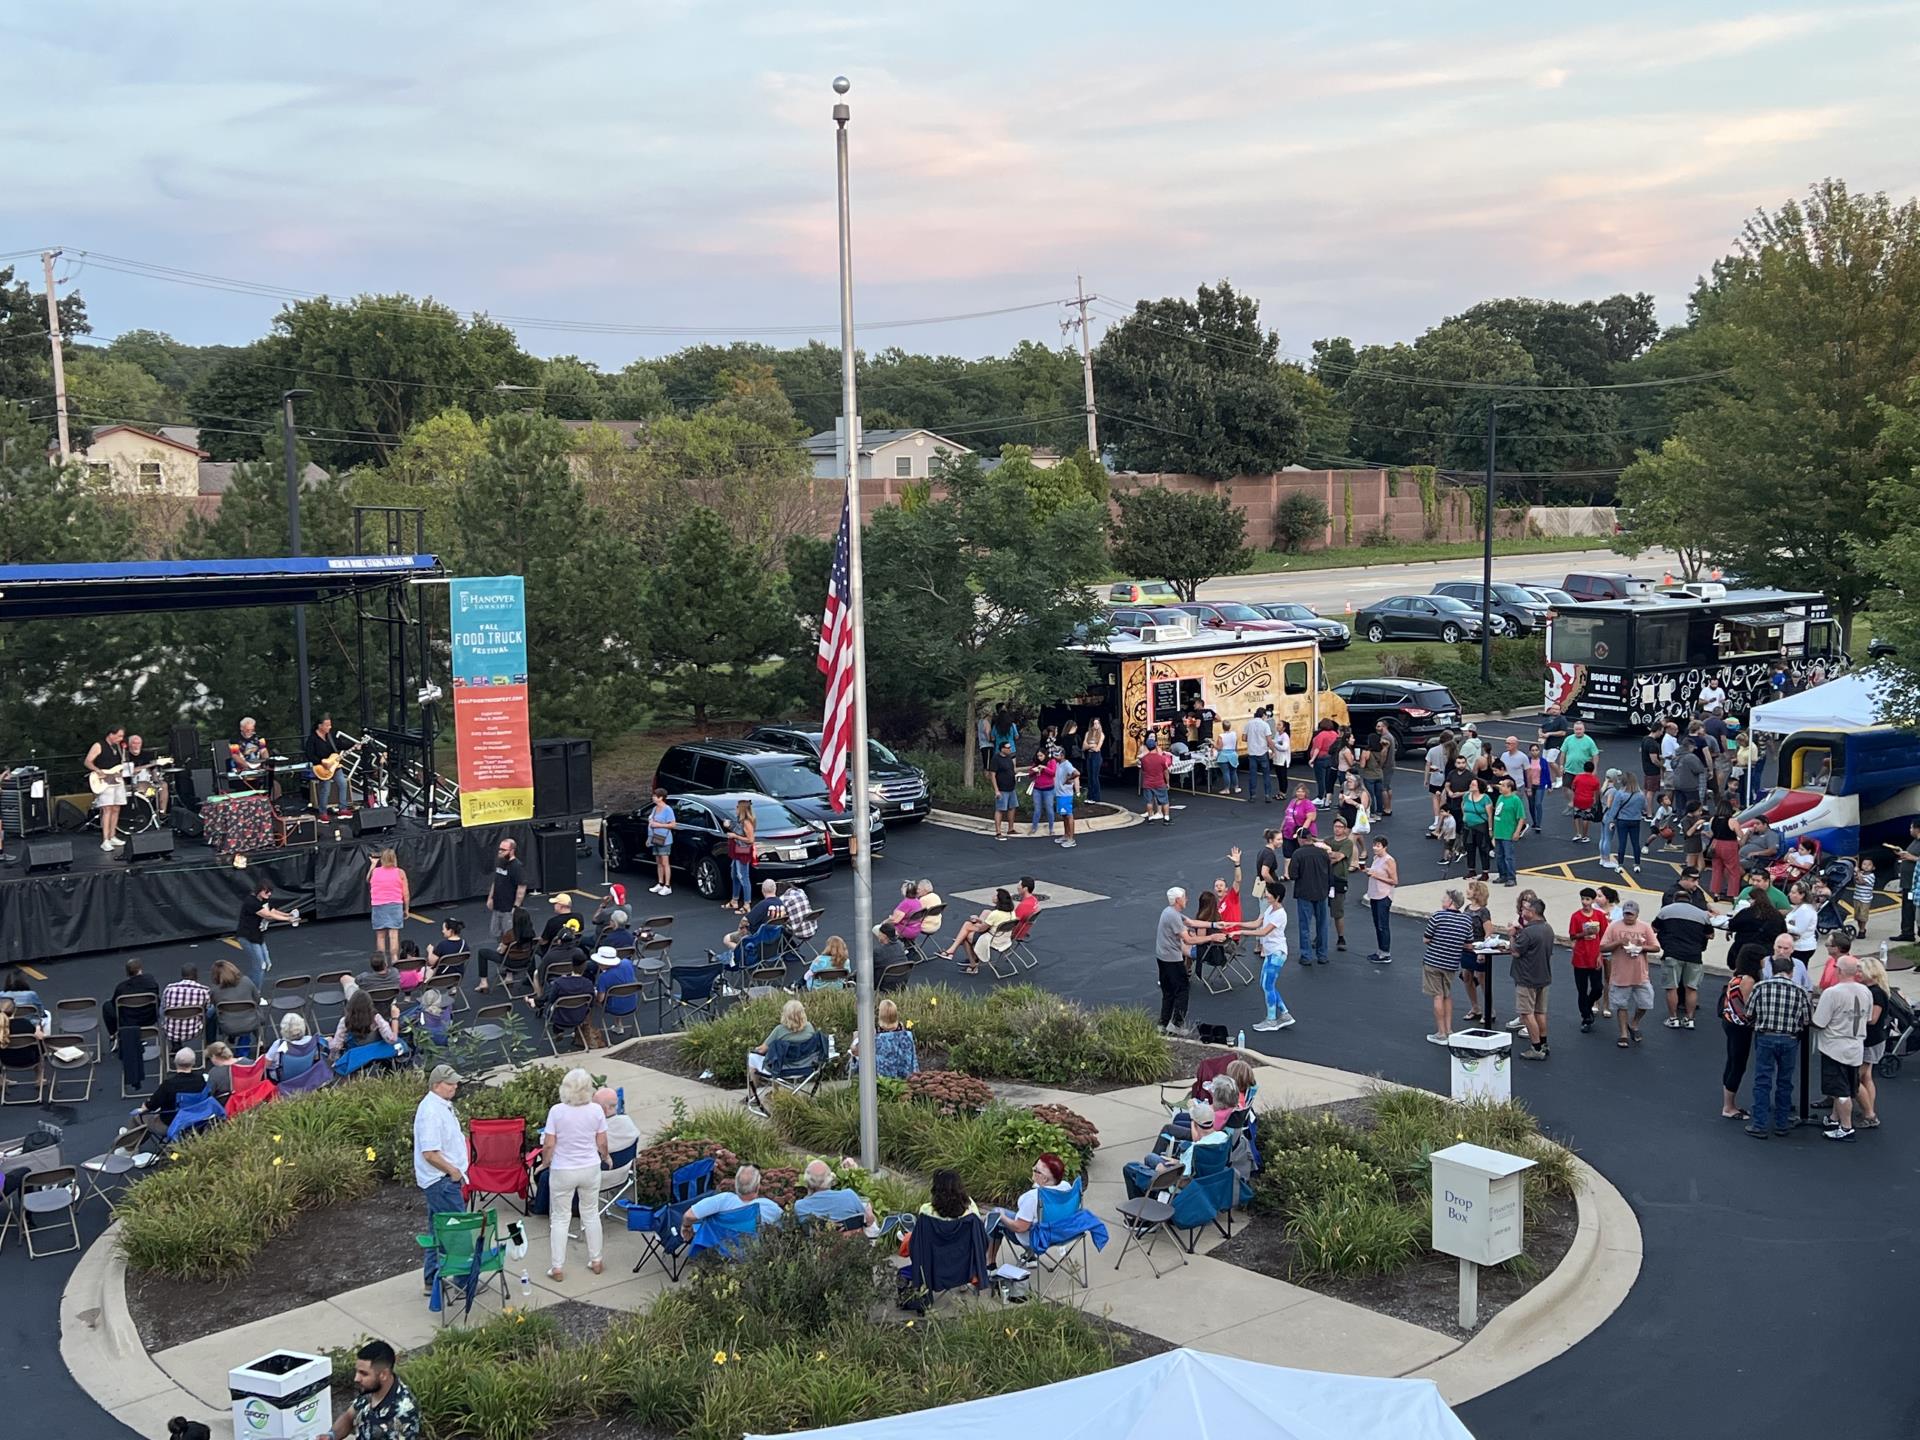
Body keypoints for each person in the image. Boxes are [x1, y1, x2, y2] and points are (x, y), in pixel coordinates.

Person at [539, 1066, 610, 1279]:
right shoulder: (596, 1110)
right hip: (589, 1167)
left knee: (560, 1218)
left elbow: (549, 1144)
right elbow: (602, 1141)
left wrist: (545, 1162)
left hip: (563, 1169)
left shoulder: (557, 1111)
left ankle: (558, 1267)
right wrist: (605, 1156)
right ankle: (596, 1259)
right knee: (590, 1213)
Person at [411, 1065, 469, 1296]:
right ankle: (463, 1281)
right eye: (450, 1083)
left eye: (455, 1083)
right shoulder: (430, 1112)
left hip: (441, 1181)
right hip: (442, 1181)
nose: (455, 1087)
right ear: (436, 1085)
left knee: (437, 1230)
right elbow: (430, 1153)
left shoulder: (440, 1106)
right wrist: (453, 1171)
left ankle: (432, 1279)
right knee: (459, 1232)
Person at [1746, 953, 1812, 1139]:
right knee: (1785, 1082)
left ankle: (1759, 1124)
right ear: (1791, 972)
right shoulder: (1800, 991)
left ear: (1772, 970)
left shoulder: (1760, 987)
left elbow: (1749, 1013)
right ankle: (1781, 1124)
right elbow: (1806, 1019)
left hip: (1765, 1037)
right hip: (1789, 1039)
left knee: (1762, 1081)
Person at [1812, 956, 1871, 1142]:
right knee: (1847, 1085)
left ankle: (1846, 1127)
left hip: (1834, 1047)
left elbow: (1819, 1022)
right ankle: (1834, 1118)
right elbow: (1867, 1018)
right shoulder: (1866, 992)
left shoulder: (1832, 993)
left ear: (1839, 970)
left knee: (1840, 1091)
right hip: (1855, 1047)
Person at [987, 1152, 1074, 1264]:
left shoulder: (1033, 1198)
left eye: (1036, 1170)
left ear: (1044, 1179)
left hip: (1036, 1239)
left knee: (995, 1214)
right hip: (1059, 1234)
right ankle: (1030, 1256)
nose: (1033, 1169)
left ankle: (990, 1264)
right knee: (1035, 1219)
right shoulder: (1066, 1187)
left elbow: (1020, 1228)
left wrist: (1001, 1217)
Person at [1654, 870, 1714, 1030]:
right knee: (1692, 987)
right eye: (1693, 881)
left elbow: (1655, 927)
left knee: (1671, 987)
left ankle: (1673, 1018)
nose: (1696, 885)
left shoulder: (1667, 910)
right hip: (1694, 953)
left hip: (1673, 951)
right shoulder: (1701, 914)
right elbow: (1710, 934)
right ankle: (1690, 1019)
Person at [330, 1339, 419, 1440]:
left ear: (383, 1375)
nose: (356, 1378)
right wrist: (331, 1436)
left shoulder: (403, 1412)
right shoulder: (370, 1389)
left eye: (363, 1373)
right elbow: (350, 1416)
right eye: (357, 1371)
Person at [1601, 899, 1660, 1048]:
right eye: (1626, 914)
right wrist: (1619, 942)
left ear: (1637, 914)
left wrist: (1641, 948)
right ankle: (1623, 1034)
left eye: (1631, 914)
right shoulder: (1614, 927)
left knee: (1646, 1003)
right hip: (1620, 974)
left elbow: (1656, 948)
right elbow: (1603, 947)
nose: (1628, 917)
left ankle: (1634, 1024)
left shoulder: (1645, 927)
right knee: (1621, 1005)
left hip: (1640, 974)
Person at [1421, 889, 1474, 1045]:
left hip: (1433, 961)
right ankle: (1449, 1030)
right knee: (1447, 995)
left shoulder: (1438, 916)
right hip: (1451, 963)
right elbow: (1469, 945)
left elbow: (1426, 939)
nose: (1442, 900)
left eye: (1444, 898)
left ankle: (1441, 1033)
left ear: (1451, 902)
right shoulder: (1466, 920)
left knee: (1437, 995)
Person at [745, 1000, 818, 1112]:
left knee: (753, 1058)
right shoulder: (809, 1028)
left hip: (781, 1069)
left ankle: (752, 1097)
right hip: (805, 1068)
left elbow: (762, 1049)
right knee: (778, 1058)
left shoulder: (780, 1030)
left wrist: (753, 1049)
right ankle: (776, 1092)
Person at [1242, 878, 1293, 1032]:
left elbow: (1264, 931)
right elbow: (1257, 923)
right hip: (1271, 953)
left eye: (1268, 893)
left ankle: (1271, 1020)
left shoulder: (1280, 914)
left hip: (1277, 953)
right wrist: (1236, 924)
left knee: (1267, 985)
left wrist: (1242, 932)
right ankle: (1284, 1014)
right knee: (1266, 985)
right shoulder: (1270, 909)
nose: (1265, 895)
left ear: (1276, 897)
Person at [681, 1165, 784, 1239]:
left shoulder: (723, 1200)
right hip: (752, 1254)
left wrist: (686, 1227)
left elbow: (689, 1216)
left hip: (719, 1249)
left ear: (736, 1185)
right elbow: (783, 1228)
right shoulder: (769, 1206)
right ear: (757, 1187)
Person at [1508, 896, 1554, 1060]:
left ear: (1532, 912)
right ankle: (1543, 1043)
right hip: (1543, 976)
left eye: (1525, 909)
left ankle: (1535, 1047)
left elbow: (1515, 951)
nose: (1522, 911)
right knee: (1540, 1011)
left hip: (1527, 978)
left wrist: (1512, 935)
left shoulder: (1528, 932)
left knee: (1527, 1013)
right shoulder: (1547, 929)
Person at [1720, 945, 1763, 1119]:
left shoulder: (1737, 976)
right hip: (1740, 1026)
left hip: (1729, 1021)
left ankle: (1729, 1103)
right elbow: (1749, 1007)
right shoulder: (1749, 980)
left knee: (1732, 1061)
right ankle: (1729, 1107)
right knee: (1738, 1064)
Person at [234, 879, 298, 988]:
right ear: (259, 891)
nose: (269, 894)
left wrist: (288, 915)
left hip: (257, 936)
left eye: (270, 891)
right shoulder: (251, 902)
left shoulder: (263, 900)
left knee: (267, 963)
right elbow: (268, 915)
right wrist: (288, 920)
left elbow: (272, 911)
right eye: (266, 891)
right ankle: (255, 993)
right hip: (247, 937)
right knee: (260, 965)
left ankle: (247, 986)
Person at [938, 888, 1015, 973]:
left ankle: (971, 963)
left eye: (994, 895)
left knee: (966, 933)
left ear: (998, 899)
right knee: (968, 927)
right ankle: (952, 951)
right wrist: (979, 921)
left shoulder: (995, 914)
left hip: (993, 939)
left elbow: (982, 929)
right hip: (1004, 939)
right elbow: (992, 925)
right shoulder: (1011, 913)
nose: (992, 896)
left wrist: (976, 923)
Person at [137, 1047, 206, 1135]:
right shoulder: (201, 1080)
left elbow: (152, 1105)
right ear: (193, 1063)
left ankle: (129, 1146)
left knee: (138, 1117)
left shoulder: (169, 1084)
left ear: (175, 1062)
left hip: (172, 1124)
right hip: (196, 1121)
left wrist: (145, 1106)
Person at [1288, 833, 1333, 966]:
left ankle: (1306, 956)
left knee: (1304, 926)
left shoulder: (1297, 854)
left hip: (1304, 894)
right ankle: (1322, 955)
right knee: (1322, 925)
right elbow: (1330, 874)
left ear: (1301, 840)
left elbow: (1292, 874)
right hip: (1321, 893)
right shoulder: (1323, 853)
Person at [84, 723, 130, 852]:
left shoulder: (118, 747)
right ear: (111, 734)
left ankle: (112, 835)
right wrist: (97, 770)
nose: (121, 738)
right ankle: (105, 840)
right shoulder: (99, 745)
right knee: (107, 808)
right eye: (119, 736)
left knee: (116, 807)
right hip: (104, 779)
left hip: (116, 779)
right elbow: (88, 761)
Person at [1154, 886, 1194, 1034]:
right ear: (1178, 900)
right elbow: (1188, 939)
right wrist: (1211, 937)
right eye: (1184, 897)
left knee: (1168, 991)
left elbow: (1191, 922)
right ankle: (1176, 1024)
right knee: (1182, 989)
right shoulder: (1174, 916)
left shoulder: (1168, 911)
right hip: (1172, 959)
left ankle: (1163, 1023)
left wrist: (1214, 925)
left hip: (1162, 957)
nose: (1187, 899)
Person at [207, 957, 265, 1057]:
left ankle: (211, 1045)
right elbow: (257, 1000)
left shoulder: (215, 990)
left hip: (228, 1025)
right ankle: (251, 1048)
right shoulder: (247, 981)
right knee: (250, 1013)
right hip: (249, 1022)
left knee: (211, 1013)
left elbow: (215, 1006)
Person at [794, 1158, 876, 1229]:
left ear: (807, 1181)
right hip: (853, 1244)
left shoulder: (800, 1207)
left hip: (818, 1246)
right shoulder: (849, 1196)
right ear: (830, 1179)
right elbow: (867, 1220)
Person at [1568, 888, 1607, 1032]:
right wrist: (1583, 933)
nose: (1585, 902)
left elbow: (1604, 936)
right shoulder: (1576, 917)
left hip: (1594, 955)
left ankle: (1588, 1005)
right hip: (1580, 957)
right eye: (1583, 899)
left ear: (1593, 900)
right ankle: (1586, 1017)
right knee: (1582, 989)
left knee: (1597, 988)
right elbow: (1572, 935)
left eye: (1588, 899)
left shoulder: (1599, 916)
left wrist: (1600, 955)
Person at [1857, 953, 1889, 1129]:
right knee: (1867, 1076)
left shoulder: (1875, 993)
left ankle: (1869, 1114)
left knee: (1856, 1078)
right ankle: (1869, 1107)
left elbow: (1873, 1019)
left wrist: (1855, 1016)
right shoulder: (1876, 990)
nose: (1858, 973)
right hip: (1875, 1039)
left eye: (1861, 970)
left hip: (1871, 1040)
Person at [850, 996, 919, 1078]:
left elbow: (858, 1065)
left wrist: (855, 1042)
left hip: (880, 1083)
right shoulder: (906, 1036)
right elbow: (912, 1062)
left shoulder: (873, 1036)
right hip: (903, 1082)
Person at [1461, 879, 1496, 1027]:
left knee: (1482, 978)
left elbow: (1489, 932)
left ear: (1476, 893)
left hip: (1479, 948)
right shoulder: (1467, 908)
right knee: (1467, 976)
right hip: (1467, 947)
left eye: (1469, 889)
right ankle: (1475, 1007)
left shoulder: (1483, 911)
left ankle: (1490, 1010)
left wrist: (1483, 951)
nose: (1467, 891)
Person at [304, 715, 355, 817]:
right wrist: (321, 762)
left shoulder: (330, 736)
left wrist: (354, 744)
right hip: (321, 768)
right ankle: (323, 812)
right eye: (327, 725)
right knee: (325, 789)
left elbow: (340, 745)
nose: (329, 727)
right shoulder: (312, 739)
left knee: (343, 784)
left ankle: (343, 808)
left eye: (330, 725)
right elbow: (309, 755)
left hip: (335, 766)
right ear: (320, 726)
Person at [367, 848, 409, 967]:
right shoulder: (400, 872)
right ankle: (395, 960)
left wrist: (373, 865)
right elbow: (405, 893)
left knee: (380, 936)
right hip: (395, 905)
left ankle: (382, 963)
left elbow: (368, 879)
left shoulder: (376, 872)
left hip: (378, 905)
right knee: (393, 935)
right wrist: (406, 909)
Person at [485, 838, 527, 948]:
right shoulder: (500, 862)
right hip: (497, 906)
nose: (500, 852)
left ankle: (509, 958)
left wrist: (516, 907)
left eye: (503, 850)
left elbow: (521, 888)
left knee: (509, 936)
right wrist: (490, 898)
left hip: (509, 909)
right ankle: (502, 955)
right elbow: (496, 881)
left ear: (512, 851)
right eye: (499, 849)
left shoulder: (517, 866)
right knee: (496, 933)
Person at [160, 963, 211, 1049]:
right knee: (211, 1010)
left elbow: (164, 1007)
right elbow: (207, 1009)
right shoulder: (204, 990)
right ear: (196, 975)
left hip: (171, 1031)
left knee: (164, 1007)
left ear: (182, 975)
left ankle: (175, 1044)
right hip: (194, 1030)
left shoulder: (169, 988)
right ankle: (210, 1044)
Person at [1363, 836, 1397, 964]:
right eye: (1374, 845)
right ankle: (1380, 950)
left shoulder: (1389, 860)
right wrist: (1367, 870)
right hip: (1374, 894)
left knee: (1383, 925)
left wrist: (1376, 876)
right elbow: (1374, 872)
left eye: (1378, 845)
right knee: (1377, 924)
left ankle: (1386, 953)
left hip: (1384, 895)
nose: (1375, 848)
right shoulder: (1376, 858)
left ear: (1384, 847)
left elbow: (1394, 881)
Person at [1491, 776, 1529, 887]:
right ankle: (1502, 875)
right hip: (1499, 832)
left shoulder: (1515, 800)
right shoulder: (1500, 798)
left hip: (1508, 833)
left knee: (1509, 856)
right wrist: (1493, 833)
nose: (1500, 787)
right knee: (1499, 856)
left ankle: (1511, 877)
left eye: (1503, 785)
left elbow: (1521, 817)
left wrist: (1517, 832)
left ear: (1509, 788)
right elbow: (1496, 815)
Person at [875, 879, 927, 949]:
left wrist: (884, 922)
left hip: (905, 930)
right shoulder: (917, 901)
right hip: (916, 928)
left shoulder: (906, 904)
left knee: (876, 929)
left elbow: (895, 920)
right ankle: (905, 945)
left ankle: (892, 949)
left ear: (905, 891)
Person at [644, 787, 677, 895]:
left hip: (664, 839)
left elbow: (673, 824)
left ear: (661, 797)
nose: (653, 798)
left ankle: (667, 885)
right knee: (658, 862)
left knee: (665, 862)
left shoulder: (668, 809)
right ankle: (660, 883)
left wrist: (659, 825)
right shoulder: (655, 808)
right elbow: (651, 819)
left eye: (655, 796)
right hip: (655, 837)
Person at [1139, 732, 1173, 824]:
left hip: (1148, 783)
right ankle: (1166, 818)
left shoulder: (1144, 759)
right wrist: (1168, 782)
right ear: (1155, 746)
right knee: (1164, 801)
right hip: (1159, 782)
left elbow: (1143, 770)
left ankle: (1150, 818)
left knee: (1149, 802)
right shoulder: (1161, 759)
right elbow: (1166, 772)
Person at [594, 1087, 641, 1153]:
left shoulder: (596, 1129)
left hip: (605, 1162)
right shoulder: (626, 1120)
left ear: (606, 1108)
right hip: (628, 1162)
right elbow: (636, 1136)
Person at [1243, 707, 1274, 803]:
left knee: (1252, 775)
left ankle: (1252, 795)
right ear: (1263, 715)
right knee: (1266, 775)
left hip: (1252, 753)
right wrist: (1273, 750)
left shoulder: (1248, 724)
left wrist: (1251, 740)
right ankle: (1267, 795)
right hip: (1263, 752)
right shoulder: (1265, 725)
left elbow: (1244, 738)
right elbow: (1269, 740)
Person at [1027, 743, 1058, 837]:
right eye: (1038, 756)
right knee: (1037, 809)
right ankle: (1034, 827)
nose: (1039, 757)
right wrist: (1034, 770)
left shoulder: (1051, 761)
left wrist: (1044, 768)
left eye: (1041, 755)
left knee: (1049, 809)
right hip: (1037, 789)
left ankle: (1051, 828)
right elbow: (1029, 774)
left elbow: (1053, 773)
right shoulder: (1036, 763)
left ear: (1045, 755)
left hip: (1048, 789)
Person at [991, 741, 1019, 840]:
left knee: (1012, 807)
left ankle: (1010, 828)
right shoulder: (996, 759)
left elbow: (1012, 770)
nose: (1009, 749)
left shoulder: (1009, 758)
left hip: (1011, 787)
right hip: (1002, 789)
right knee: (1000, 809)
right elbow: (993, 775)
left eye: (1010, 747)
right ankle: (998, 832)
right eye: (1007, 747)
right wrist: (996, 790)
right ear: (1002, 748)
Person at [1052, 747, 1080, 848]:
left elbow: (1076, 773)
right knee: (1064, 815)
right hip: (1060, 793)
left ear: (1062, 755)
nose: (1055, 757)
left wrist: (1069, 778)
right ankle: (1066, 835)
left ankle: (1071, 839)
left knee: (1068, 815)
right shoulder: (1059, 764)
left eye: (1057, 755)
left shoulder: (1067, 764)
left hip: (1065, 794)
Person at [1214, 714, 1240, 795]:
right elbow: (1236, 746)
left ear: (1223, 727)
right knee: (1233, 772)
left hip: (1224, 756)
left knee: (1226, 773)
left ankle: (1227, 789)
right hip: (1233, 754)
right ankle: (1236, 787)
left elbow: (1219, 748)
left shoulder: (1221, 736)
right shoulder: (1234, 734)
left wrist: (1213, 744)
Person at [1083, 719, 1107, 803]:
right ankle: (1090, 796)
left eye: (1097, 723)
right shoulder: (1087, 734)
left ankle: (1096, 797)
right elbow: (1083, 747)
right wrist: (1092, 745)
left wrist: (1089, 746)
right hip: (1089, 755)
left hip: (1096, 756)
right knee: (1089, 777)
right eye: (1094, 723)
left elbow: (1097, 748)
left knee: (1094, 776)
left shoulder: (1101, 735)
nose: (1096, 725)